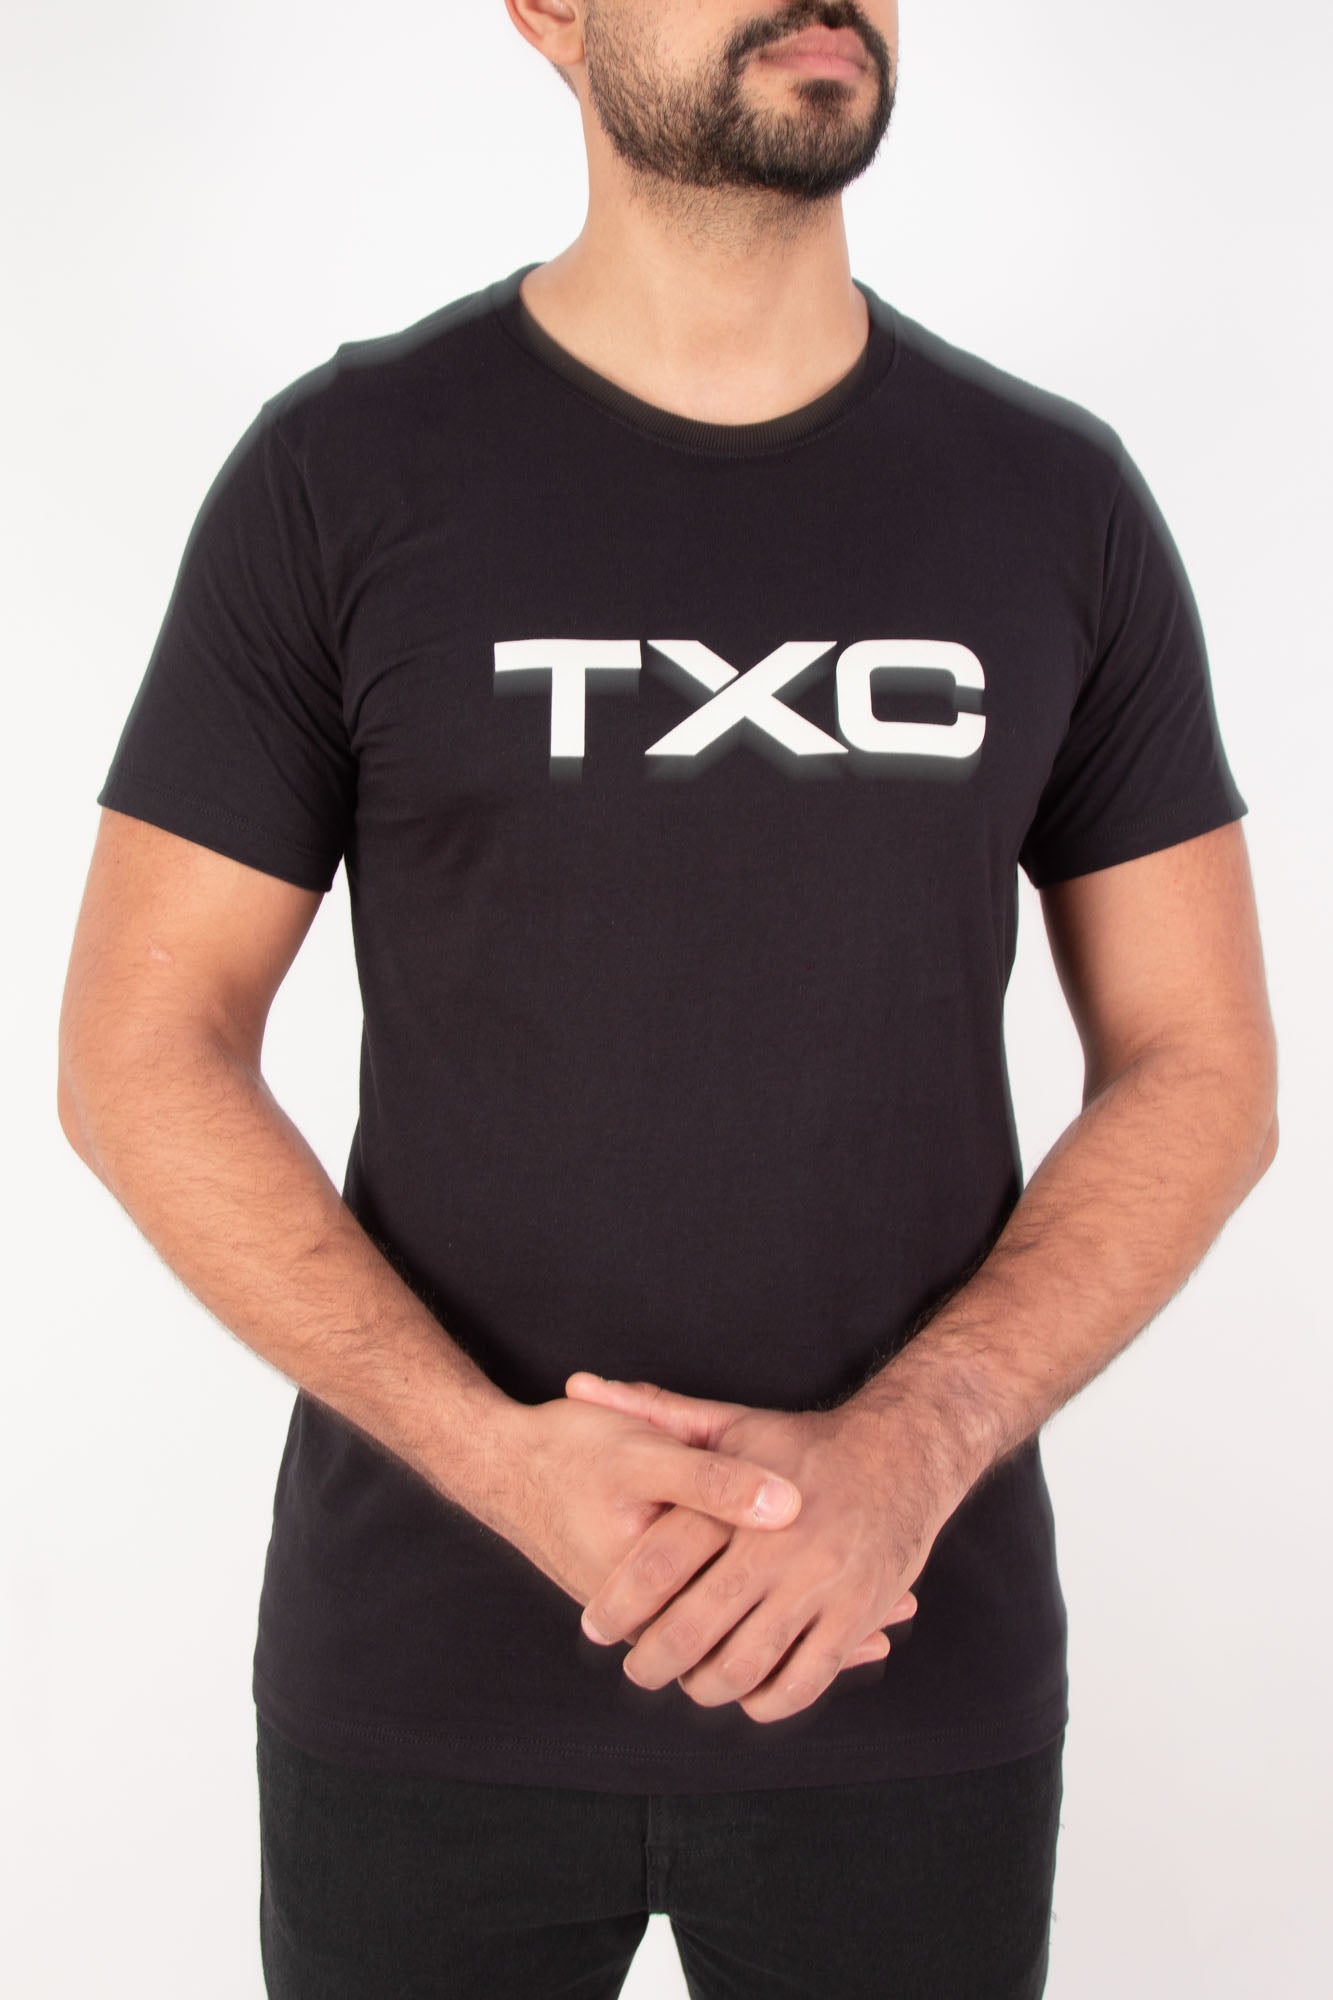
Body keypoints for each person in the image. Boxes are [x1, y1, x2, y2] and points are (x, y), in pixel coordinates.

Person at [56, 1, 1278, 1994]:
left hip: (901, 1665)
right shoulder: (342, 476)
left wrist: (911, 1448)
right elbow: (139, 1050)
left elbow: (1200, 1062)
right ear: (547, 10)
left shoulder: (1050, 500)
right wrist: (495, 1460)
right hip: (427, 1678)